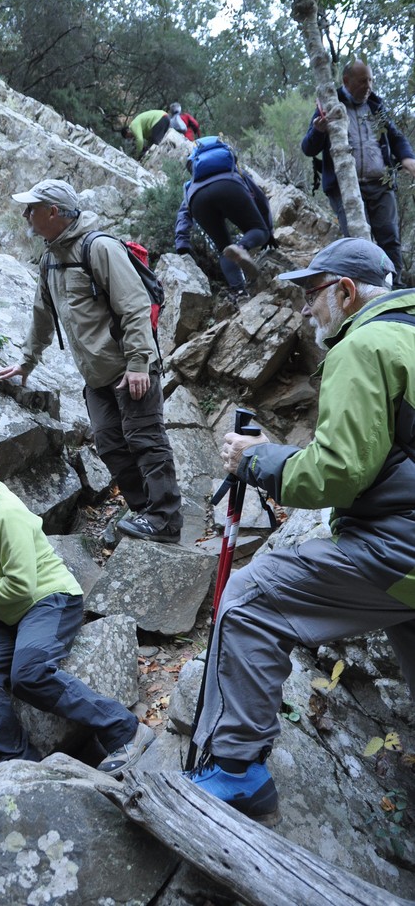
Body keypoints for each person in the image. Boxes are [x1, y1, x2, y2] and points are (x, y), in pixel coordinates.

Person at [185, 238, 415, 825]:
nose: (306, 308)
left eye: (313, 292)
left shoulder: (365, 346)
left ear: (347, 291)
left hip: (400, 548)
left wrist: (258, 459)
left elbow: (339, 473)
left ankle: (236, 770)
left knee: (250, 600)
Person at [0, 430, 155, 773]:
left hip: (50, 601)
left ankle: (125, 730)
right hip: (11, 615)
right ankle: (21, 766)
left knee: (29, 674)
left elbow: (21, 585)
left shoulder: (4, 513)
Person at [0, 178, 182, 544]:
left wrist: (139, 363)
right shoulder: (50, 259)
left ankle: (166, 520)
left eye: (32, 208)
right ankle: (145, 512)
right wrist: (27, 361)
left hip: (130, 367)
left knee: (145, 440)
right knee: (110, 444)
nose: (25, 214)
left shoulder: (99, 248)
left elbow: (135, 306)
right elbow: (42, 314)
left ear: (53, 212)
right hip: (97, 376)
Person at [301, 60, 415, 284]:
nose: (368, 86)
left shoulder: (376, 106)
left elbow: (396, 137)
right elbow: (308, 148)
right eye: (363, 81)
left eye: (371, 80)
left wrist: (408, 158)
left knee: (390, 239)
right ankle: (368, 291)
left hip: (381, 184)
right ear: (346, 81)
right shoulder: (331, 105)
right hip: (345, 188)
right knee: (358, 243)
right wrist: (318, 130)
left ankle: (395, 288)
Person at [174, 162, 275, 301]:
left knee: (224, 249)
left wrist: (182, 243)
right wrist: (268, 229)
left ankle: (240, 293)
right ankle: (241, 248)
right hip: (229, 186)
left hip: (198, 199)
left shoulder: (190, 186)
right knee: (260, 230)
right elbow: (261, 198)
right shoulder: (234, 170)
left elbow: (183, 214)